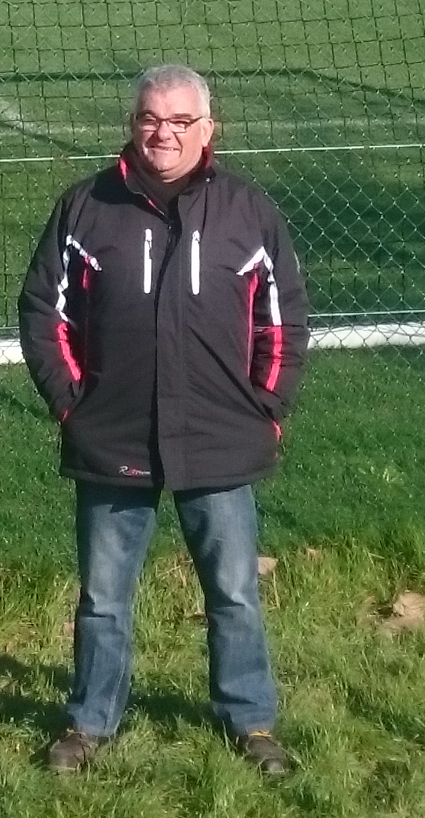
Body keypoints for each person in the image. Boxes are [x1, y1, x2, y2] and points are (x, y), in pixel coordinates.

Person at [17, 63, 311, 777]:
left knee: (234, 592)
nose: (164, 134)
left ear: (209, 130)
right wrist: (72, 404)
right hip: (112, 434)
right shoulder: (86, 206)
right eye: (151, 119)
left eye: (181, 121)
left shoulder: (247, 211)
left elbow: (284, 321)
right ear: (132, 125)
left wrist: (266, 408)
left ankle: (251, 720)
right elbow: (44, 311)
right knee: (103, 597)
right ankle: (90, 721)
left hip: (221, 436)